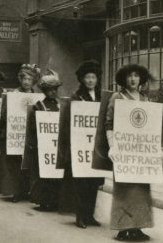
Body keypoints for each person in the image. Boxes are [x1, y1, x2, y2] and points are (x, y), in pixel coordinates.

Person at [105, 64, 154, 241]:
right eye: (129, 76)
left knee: (141, 189)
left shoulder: (145, 99)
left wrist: (155, 149)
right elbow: (108, 123)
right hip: (123, 149)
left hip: (141, 151)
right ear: (124, 79)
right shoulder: (117, 97)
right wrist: (112, 145)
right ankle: (122, 228)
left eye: (136, 76)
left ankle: (137, 227)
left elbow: (150, 125)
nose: (133, 79)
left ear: (141, 79)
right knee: (124, 189)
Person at [57, 60, 104, 228]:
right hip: (80, 146)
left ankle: (90, 215)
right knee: (81, 183)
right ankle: (80, 216)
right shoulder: (76, 98)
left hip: (96, 147)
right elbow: (68, 123)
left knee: (93, 183)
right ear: (82, 80)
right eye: (87, 77)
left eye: (93, 77)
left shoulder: (102, 97)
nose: (91, 80)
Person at [0, 64, 40, 202]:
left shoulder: (37, 96)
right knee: (14, 164)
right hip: (14, 134)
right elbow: (3, 115)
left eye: (30, 79)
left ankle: (27, 191)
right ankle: (15, 191)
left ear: (33, 81)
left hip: (29, 136)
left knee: (28, 164)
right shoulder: (13, 95)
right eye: (24, 79)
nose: (26, 82)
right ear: (20, 79)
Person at [24, 69, 62, 211]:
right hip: (42, 146)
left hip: (56, 145)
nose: (53, 92)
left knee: (56, 174)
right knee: (42, 175)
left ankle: (56, 200)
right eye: (50, 89)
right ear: (45, 91)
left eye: (55, 89)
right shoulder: (39, 106)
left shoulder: (60, 105)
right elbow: (33, 128)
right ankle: (43, 201)